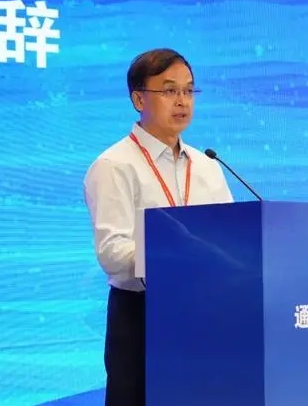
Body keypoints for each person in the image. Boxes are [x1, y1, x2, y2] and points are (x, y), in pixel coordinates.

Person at [83, 48, 234, 406]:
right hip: (143, 316)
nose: (182, 101)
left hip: (206, 312)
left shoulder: (208, 165)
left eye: (188, 90)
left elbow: (232, 233)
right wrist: (179, 255)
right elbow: (112, 253)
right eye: (168, 91)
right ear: (139, 99)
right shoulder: (114, 165)